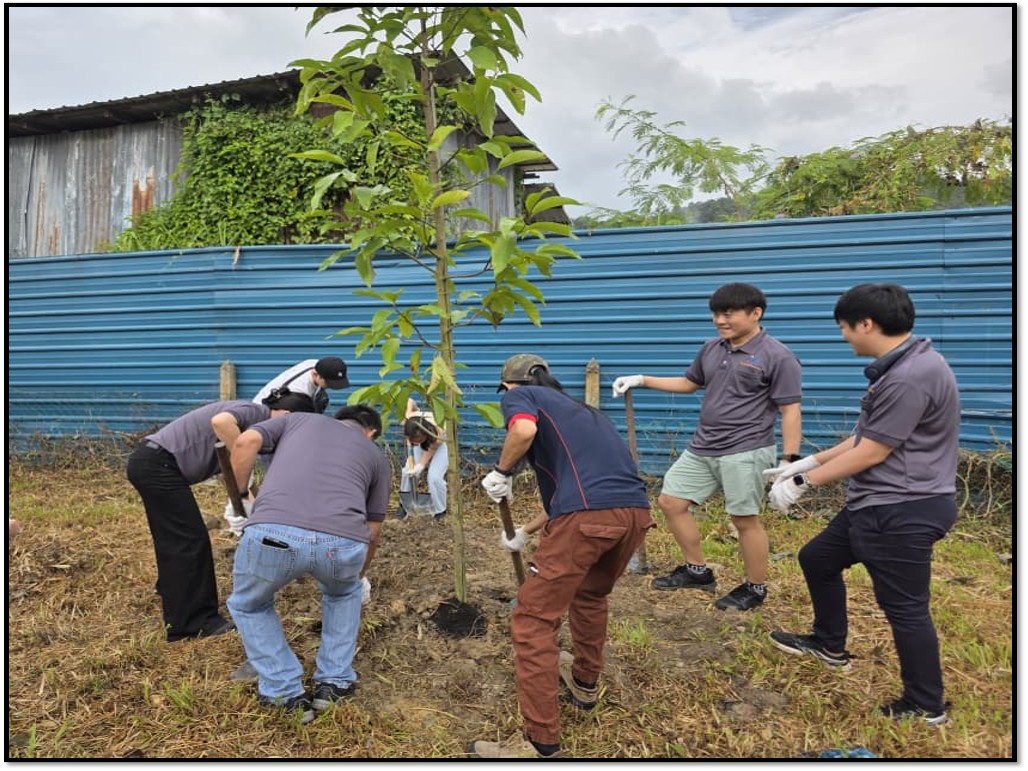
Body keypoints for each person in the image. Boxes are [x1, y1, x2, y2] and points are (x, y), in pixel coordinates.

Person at [766, 283, 960, 726]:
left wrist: (804, 483)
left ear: (866, 324)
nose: (843, 336)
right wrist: (807, 462)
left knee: (906, 609)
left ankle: (925, 705)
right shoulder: (909, 364)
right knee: (817, 557)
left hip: (901, 509)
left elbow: (873, 452)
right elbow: (865, 437)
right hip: (877, 502)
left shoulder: (909, 377)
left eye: (844, 327)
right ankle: (829, 644)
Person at [469, 354, 654, 759]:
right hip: (633, 514)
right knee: (590, 595)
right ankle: (584, 682)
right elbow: (575, 499)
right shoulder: (586, 414)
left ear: (510, 385)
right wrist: (525, 532)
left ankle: (540, 743)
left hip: (587, 517)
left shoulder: (521, 396)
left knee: (533, 620)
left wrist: (502, 470)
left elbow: (522, 429)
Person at [612, 282, 803, 611]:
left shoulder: (778, 356)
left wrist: (790, 460)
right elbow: (690, 383)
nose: (719, 320)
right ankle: (697, 571)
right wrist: (641, 379)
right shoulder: (712, 348)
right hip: (704, 445)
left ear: (755, 313)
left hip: (746, 448)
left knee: (743, 519)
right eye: (716, 314)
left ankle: (755, 588)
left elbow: (790, 410)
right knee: (671, 501)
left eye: (728, 314)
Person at [226, 404, 391, 724]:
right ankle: (334, 684)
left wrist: (241, 496)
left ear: (337, 419)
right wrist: (359, 576)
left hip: (273, 533)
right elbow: (373, 531)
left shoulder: (297, 420)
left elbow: (245, 442)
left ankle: (284, 693)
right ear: (371, 432)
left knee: (250, 605)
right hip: (342, 542)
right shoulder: (376, 456)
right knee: (344, 595)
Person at [126, 391, 316, 642]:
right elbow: (221, 422)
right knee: (189, 540)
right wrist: (243, 459)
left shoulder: (257, 426)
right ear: (287, 415)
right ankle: (193, 623)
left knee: (176, 538)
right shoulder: (254, 412)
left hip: (155, 464)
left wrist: (256, 504)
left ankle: (173, 591)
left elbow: (241, 474)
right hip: (158, 465)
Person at [395, 397, 447, 520]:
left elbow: (431, 450)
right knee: (407, 472)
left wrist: (420, 466)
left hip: (441, 444)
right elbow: (409, 400)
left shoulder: (438, 433)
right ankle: (404, 505)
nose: (414, 442)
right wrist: (412, 409)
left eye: (417, 440)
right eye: (412, 440)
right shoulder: (408, 421)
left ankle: (440, 510)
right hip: (422, 438)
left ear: (424, 434)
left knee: (434, 478)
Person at [252, 356, 351, 415]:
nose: (331, 386)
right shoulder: (298, 394)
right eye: (329, 382)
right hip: (263, 412)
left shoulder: (313, 363)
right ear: (315, 374)